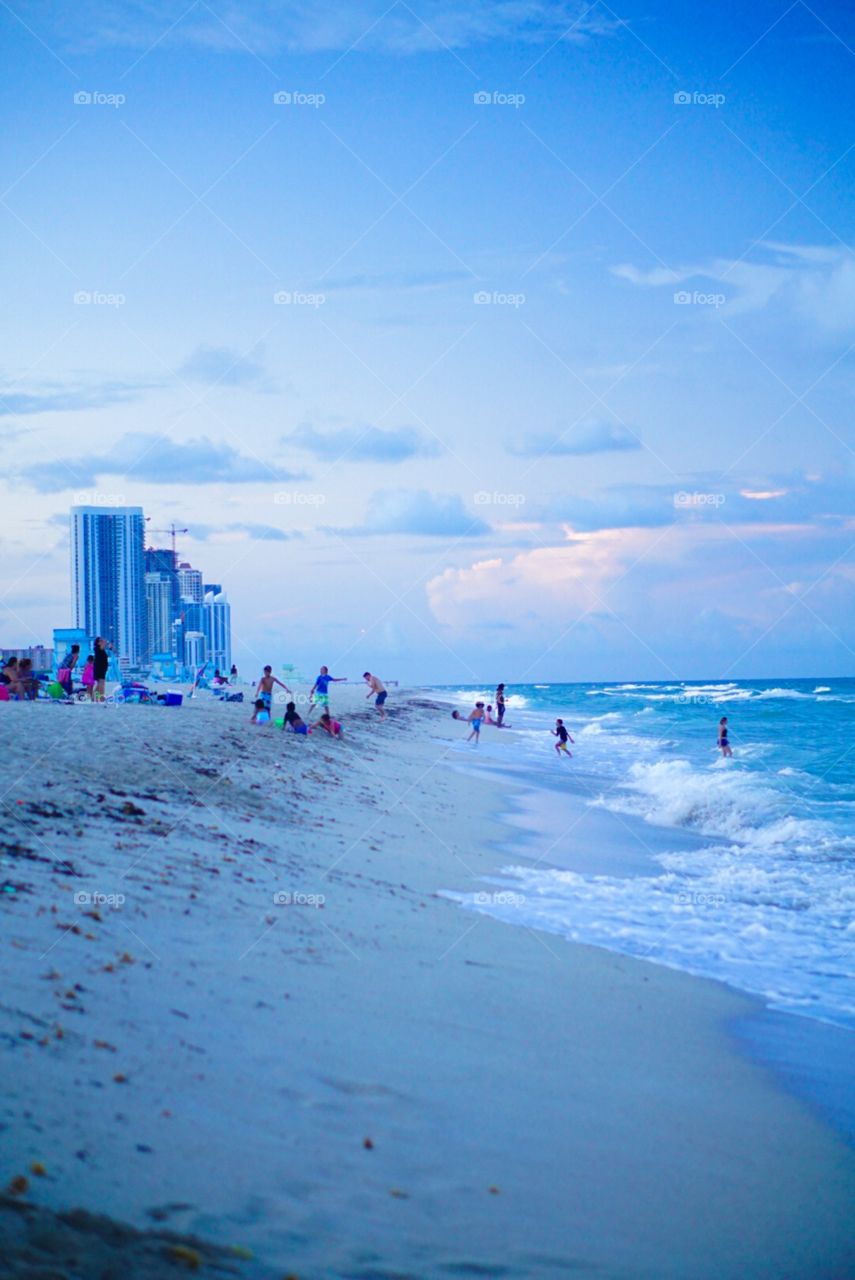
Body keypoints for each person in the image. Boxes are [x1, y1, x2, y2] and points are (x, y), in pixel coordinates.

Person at [93, 637, 113, 701]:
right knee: (101, 684)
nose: (103, 641)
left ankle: (95, 698)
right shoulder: (98, 648)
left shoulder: (100, 649)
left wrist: (109, 646)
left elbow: (109, 651)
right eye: (101, 641)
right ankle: (101, 698)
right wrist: (106, 643)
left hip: (101, 668)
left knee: (99, 684)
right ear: (98, 643)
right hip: (100, 668)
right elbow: (103, 646)